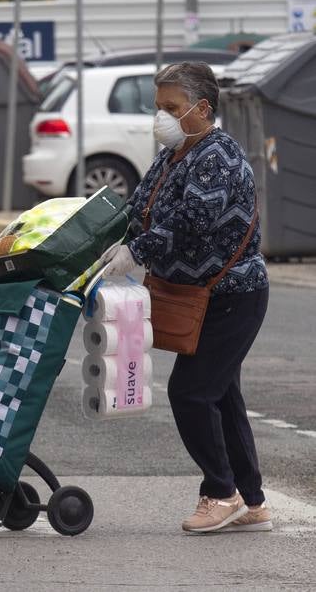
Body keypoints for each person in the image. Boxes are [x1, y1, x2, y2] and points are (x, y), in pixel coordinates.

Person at [107, 62, 271, 534]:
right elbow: (139, 210)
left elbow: (192, 220)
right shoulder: (176, 152)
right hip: (197, 294)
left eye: (171, 108)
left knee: (192, 393)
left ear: (202, 108)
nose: (161, 117)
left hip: (231, 296)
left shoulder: (216, 156)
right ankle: (252, 501)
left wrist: (135, 252)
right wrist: (106, 239)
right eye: (158, 107)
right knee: (222, 396)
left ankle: (221, 493)